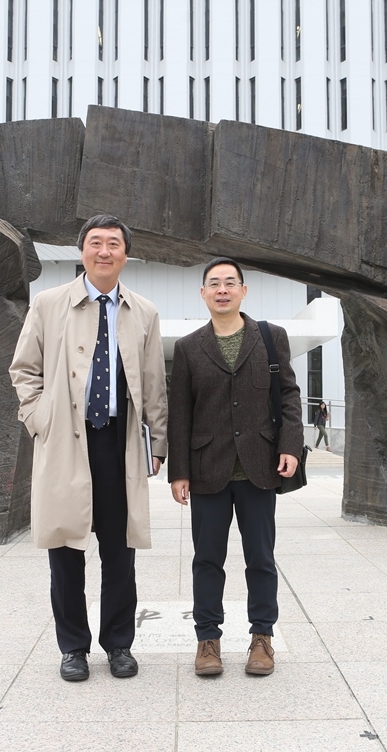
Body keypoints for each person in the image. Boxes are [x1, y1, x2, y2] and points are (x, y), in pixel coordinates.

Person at [9, 214, 168, 683]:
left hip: (119, 443)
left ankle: (119, 644)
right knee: (65, 550)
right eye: (95, 243)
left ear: (125, 253)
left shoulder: (144, 312)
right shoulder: (49, 304)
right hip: (64, 442)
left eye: (114, 244)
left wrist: (156, 443)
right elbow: (24, 370)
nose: (104, 251)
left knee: (120, 553)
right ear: (81, 252)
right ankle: (72, 648)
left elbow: (155, 386)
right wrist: (41, 420)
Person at [167, 257, 303, 678]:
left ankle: (262, 638)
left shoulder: (270, 337)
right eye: (214, 283)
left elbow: (289, 395)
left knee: (260, 557)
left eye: (230, 283)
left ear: (244, 291)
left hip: (260, 468)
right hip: (208, 470)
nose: (222, 289)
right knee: (207, 559)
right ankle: (208, 639)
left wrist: (291, 446)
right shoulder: (188, 347)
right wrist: (179, 471)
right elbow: (180, 414)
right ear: (203, 294)